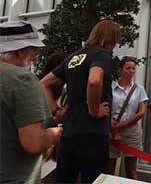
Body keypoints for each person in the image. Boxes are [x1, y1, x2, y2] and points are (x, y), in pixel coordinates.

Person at [40, 20, 120, 184]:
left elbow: (43, 84)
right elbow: (94, 80)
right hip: (93, 133)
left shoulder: (74, 57)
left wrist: (56, 110)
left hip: (69, 133)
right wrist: (94, 110)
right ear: (113, 37)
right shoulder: (101, 55)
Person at [0, 21, 63, 184]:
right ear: (20, 51)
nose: (35, 58)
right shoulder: (22, 79)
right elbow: (33, 142)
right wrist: (54, 134)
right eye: (34, 50)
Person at [105, 56, 148, 180]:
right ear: (120, 70)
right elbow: (105, 107)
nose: (131, 71)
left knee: (131, 169)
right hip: (112, 129)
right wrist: (112, 125)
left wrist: (124, 124)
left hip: (132, 130)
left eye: (133, 68)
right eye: (128, 68)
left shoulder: (139, 89)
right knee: (109, 168)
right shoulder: (111, 87)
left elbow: (141, 112)